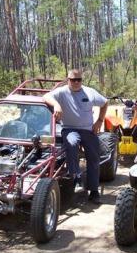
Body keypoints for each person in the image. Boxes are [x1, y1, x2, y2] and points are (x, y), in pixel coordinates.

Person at [43, 69, 108, 204]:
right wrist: (56, 105)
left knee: (94, 157)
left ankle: (94, 191)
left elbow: (105, 102)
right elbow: (45, 97)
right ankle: (77, 177)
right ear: (68, 80)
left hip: (88, 130)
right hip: (69, 129)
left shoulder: (89, 92)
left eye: (79, 80)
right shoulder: (62, 92)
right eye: (73, 80)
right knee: (71, 143)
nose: (76, 82)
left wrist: (100, 121)